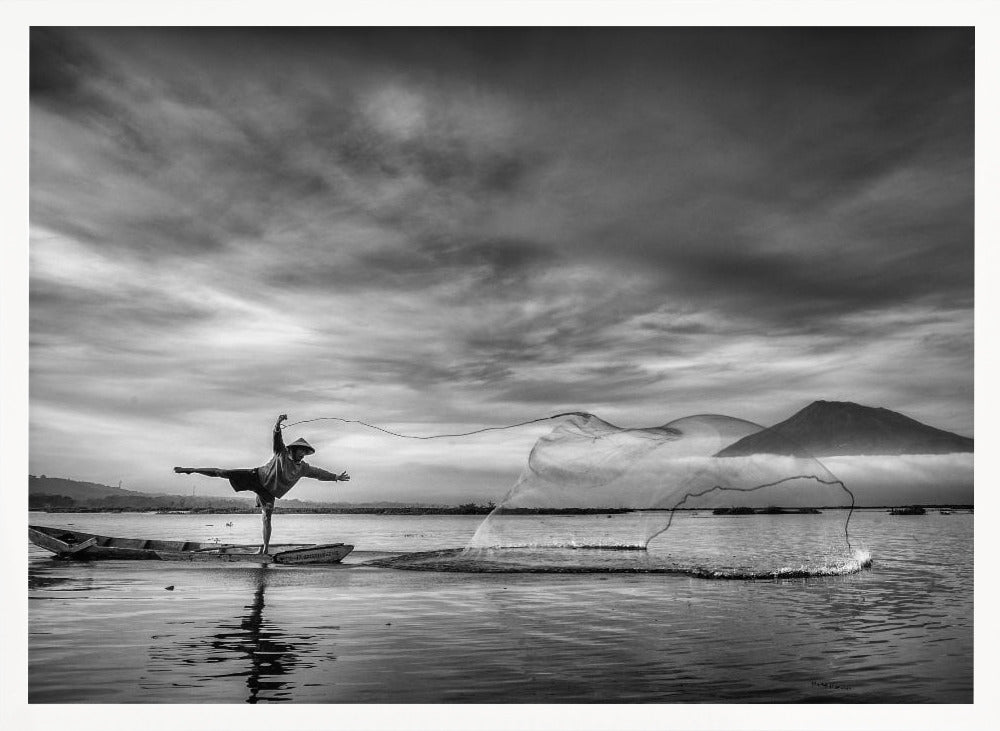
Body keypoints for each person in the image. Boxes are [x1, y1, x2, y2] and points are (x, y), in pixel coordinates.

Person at [174, 414, 350, 553]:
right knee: (223, 473)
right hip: (256, 476)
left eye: (305, 452)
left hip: (268, 491)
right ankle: (191, 469)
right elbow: (277, 439)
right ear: (294, 450)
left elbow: (319, 473)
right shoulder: (281, 453)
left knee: (267, 517)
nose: (303, 454)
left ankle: (265, 547)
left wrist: (335, 477)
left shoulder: (303, 468)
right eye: (301, 451)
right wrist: (277, 424)